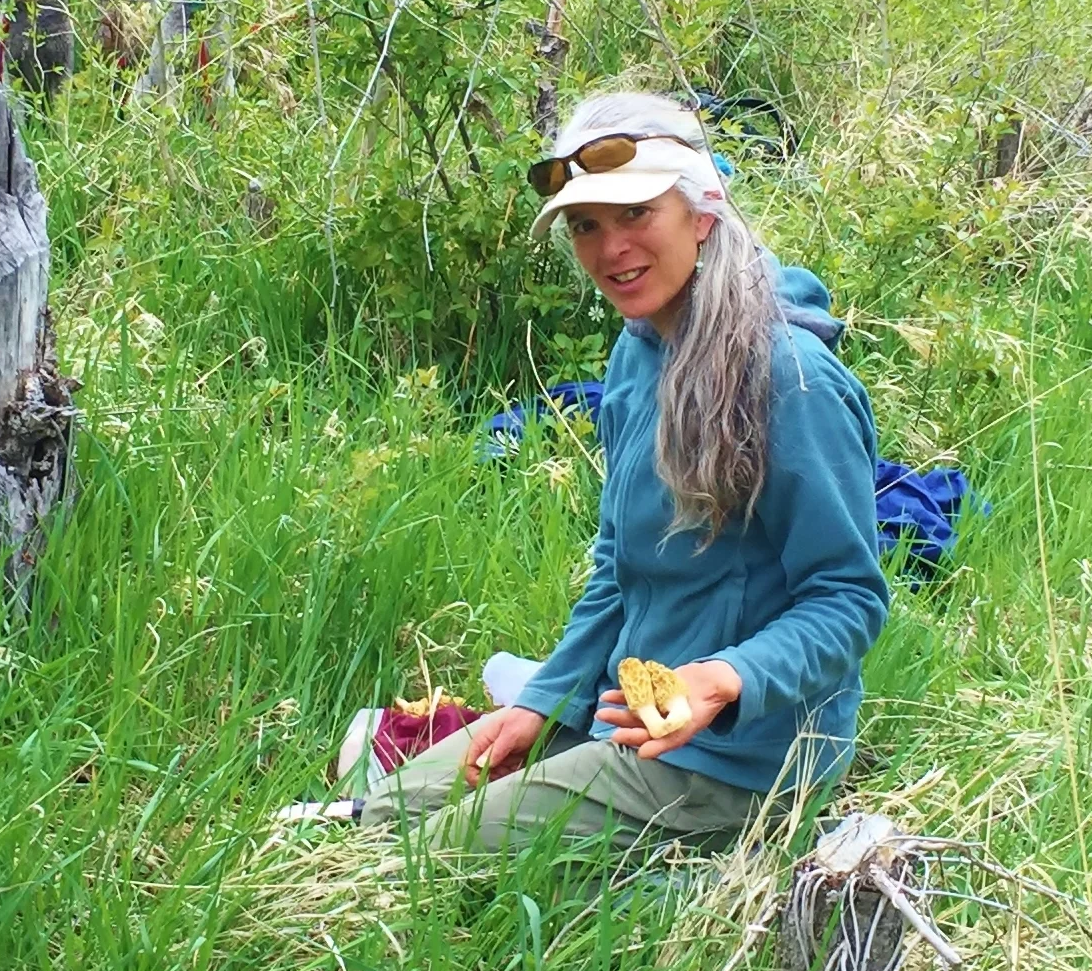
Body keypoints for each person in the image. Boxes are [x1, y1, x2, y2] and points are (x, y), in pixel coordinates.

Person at [357, 90, 891, 855]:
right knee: (393, 812)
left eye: (637, 213)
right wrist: (545, 702)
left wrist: (720, 680)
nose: (611, 250)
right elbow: (617, 568)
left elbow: (849, 598)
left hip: (744, 758)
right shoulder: (638, 354)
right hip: (622, 709)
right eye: (585, 226)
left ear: (703, 214)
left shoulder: (790, 378)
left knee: (428, 861)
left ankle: (734, 881)